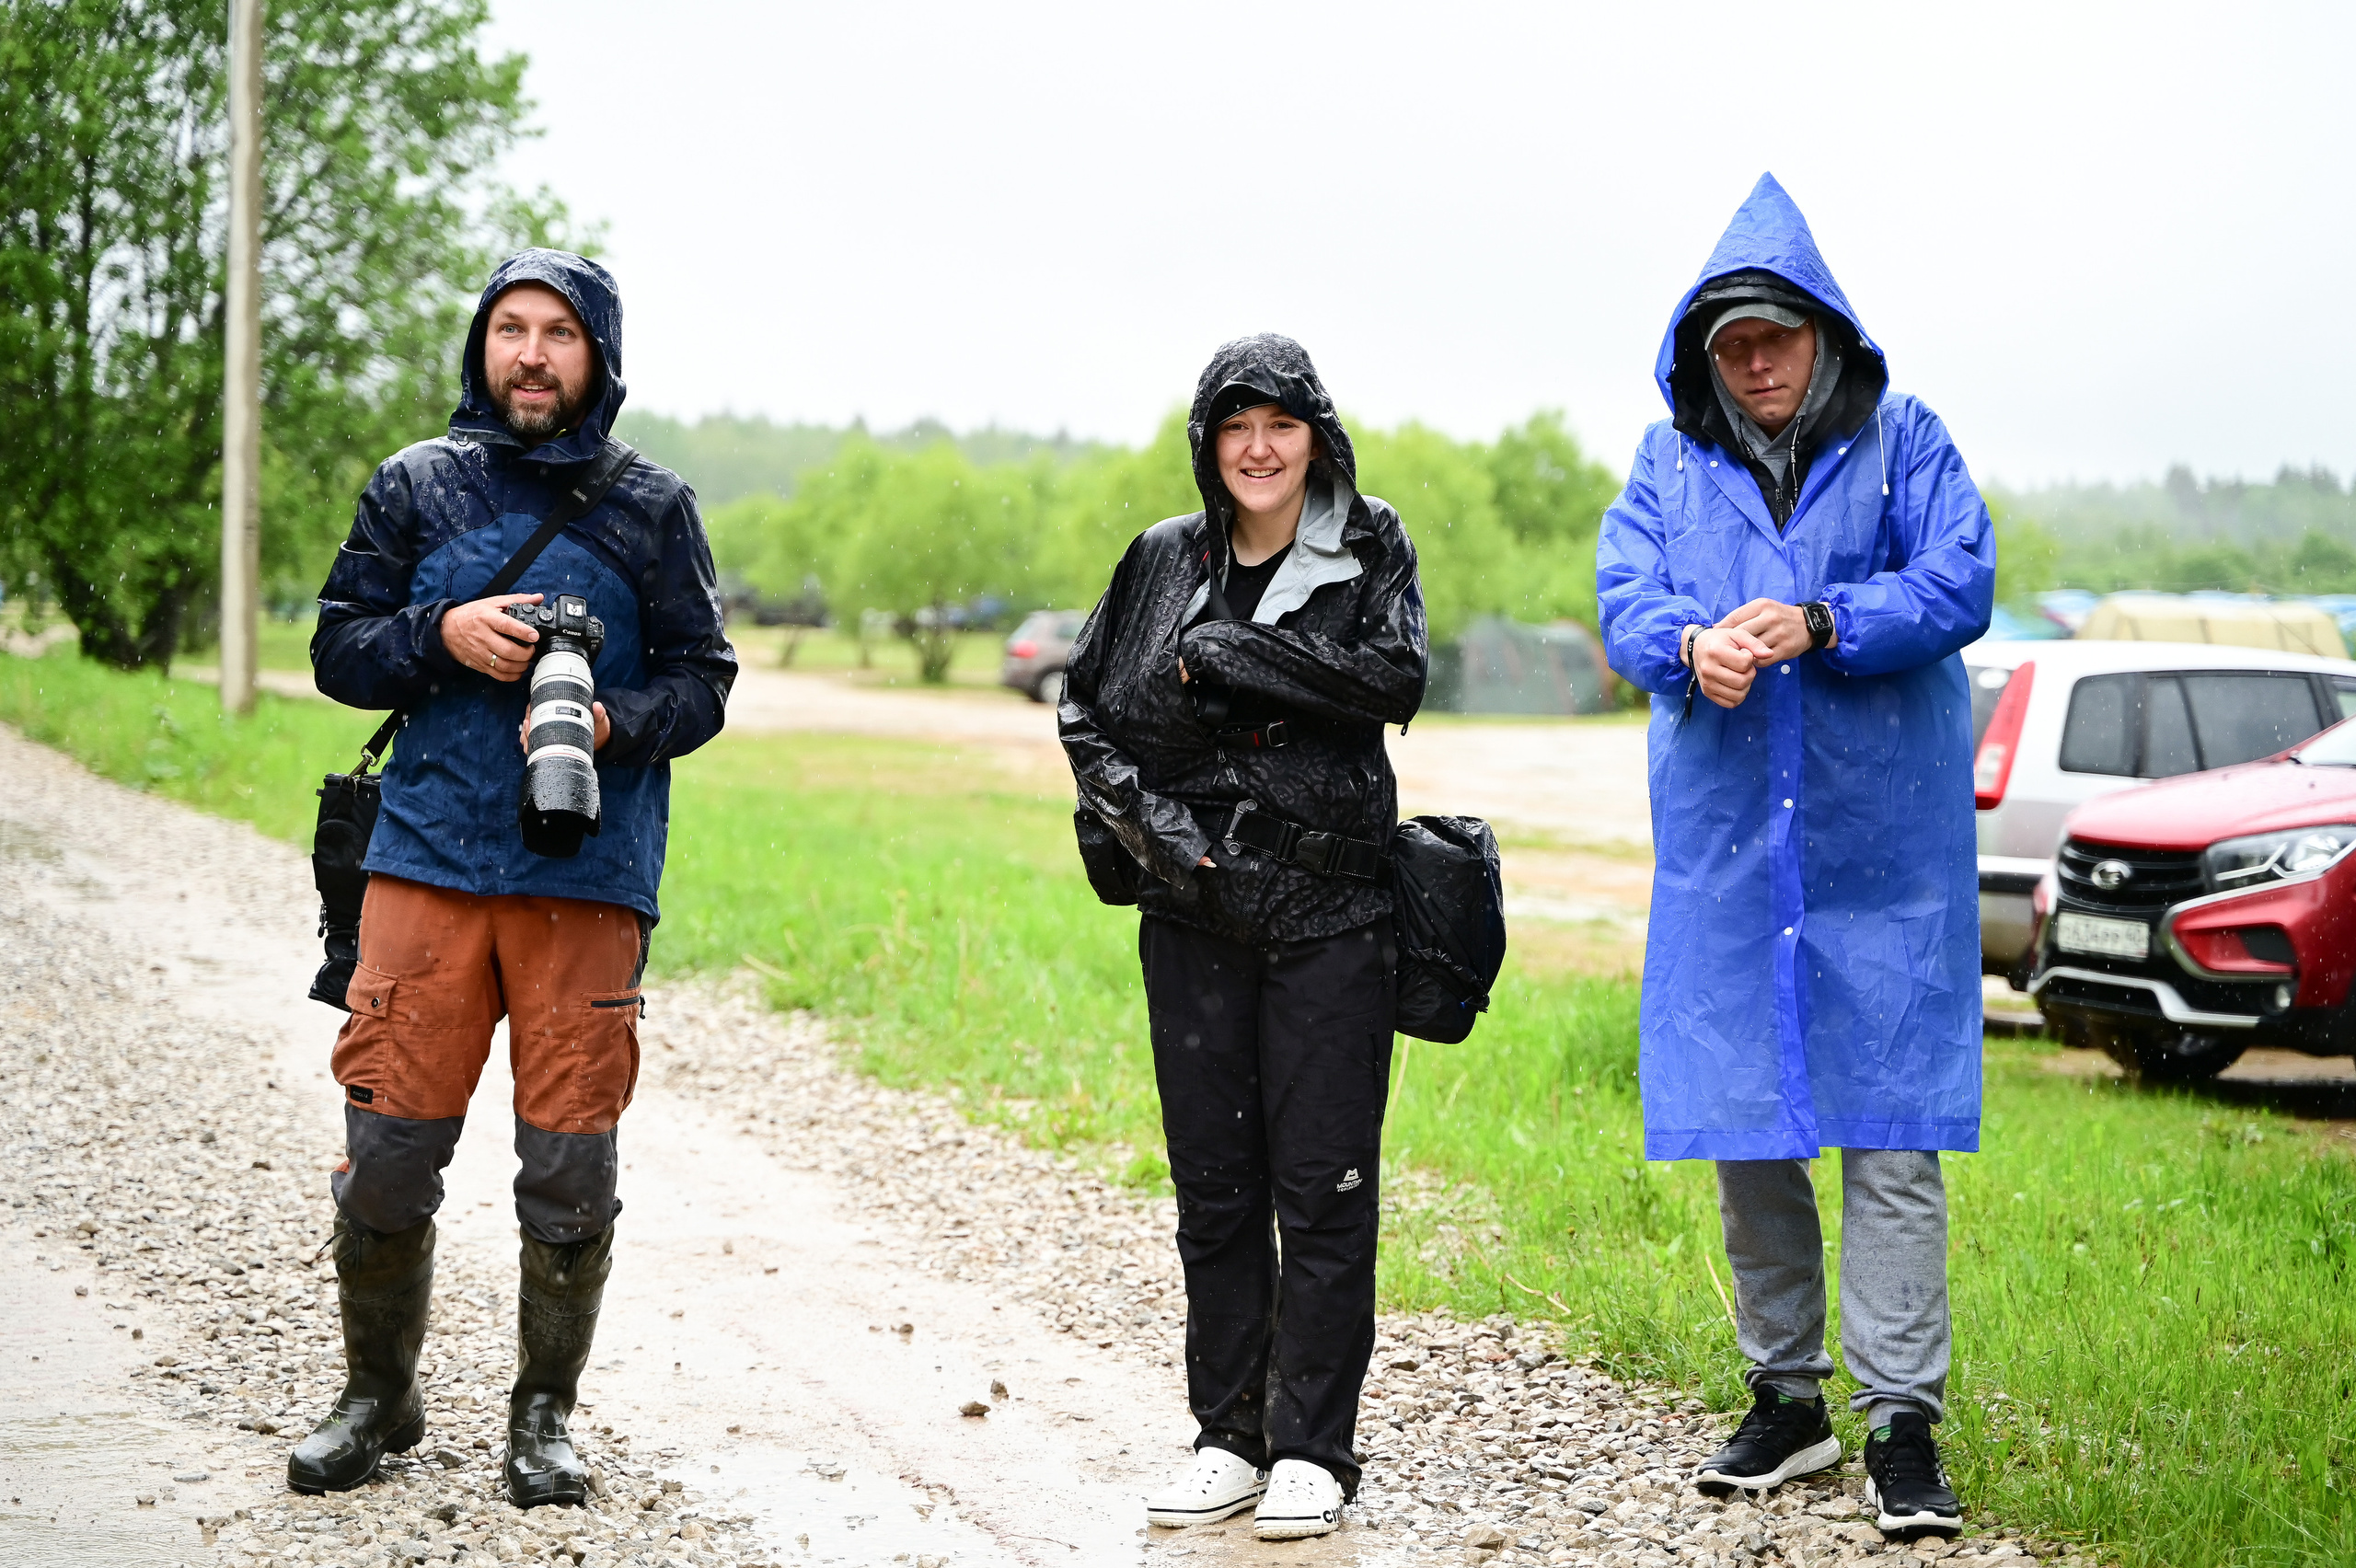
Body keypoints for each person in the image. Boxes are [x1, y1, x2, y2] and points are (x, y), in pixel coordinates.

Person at [297, 249, 735, 1504]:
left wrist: (607, 720)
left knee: (568, 1163)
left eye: (559, 334)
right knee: (385, 1149)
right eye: (510, 329)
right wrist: (436, 637)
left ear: (597, 356)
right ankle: (377, 1398)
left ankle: (543, 1417)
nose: (531, 354)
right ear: (482, 346)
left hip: (587, 875)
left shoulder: (652, 506)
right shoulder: (414, 487)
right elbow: (337, 649)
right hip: (426, 860)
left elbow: (706, 679)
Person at [1595, 174, 1992, 1541]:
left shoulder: (1906, 443)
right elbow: (1628, 595)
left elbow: (1961, 580)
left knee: (1890, 1137)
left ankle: (1902, 1426)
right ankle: (1787, 1400)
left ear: (1823, 333)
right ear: (1704, 358)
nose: (1756, 363)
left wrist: (1825, 620)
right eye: (1731, 345)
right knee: (1750, 1130)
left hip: (1882, 858)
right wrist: (1683, 644)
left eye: (1776, 336)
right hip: (1731, 858)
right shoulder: (1669, 464)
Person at [1059, 335, 1426, 1541]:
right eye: (1235, 426)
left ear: (1315, 433)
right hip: (1194, 915)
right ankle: (1229, 1433)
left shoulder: (1369, 545)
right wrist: (1166, 832)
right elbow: (1084, 710)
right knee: (1215, 1190)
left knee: (1322, 1188)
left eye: (1280, 423)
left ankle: (1315, 1448)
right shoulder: (1162, 557)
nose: (1259, 448)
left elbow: (1393, 679)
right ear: (1209, 443)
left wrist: (1230, 656)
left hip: (1333, 914)